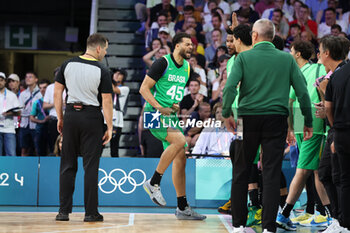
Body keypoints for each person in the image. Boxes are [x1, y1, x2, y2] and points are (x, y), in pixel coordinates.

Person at [222, 19, 313, 233]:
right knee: (271, 173)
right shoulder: (287, 59)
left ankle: (238, 226)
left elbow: (229, 88)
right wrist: (307, 121)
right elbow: (302, 93)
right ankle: (269, 229)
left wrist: (226, 113)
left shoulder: (242, 57)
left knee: (241, 170)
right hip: (276, 119)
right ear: (272, 36)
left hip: (247, 119)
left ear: (254, 36)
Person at [139, 32, 206, 220]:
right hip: (154, 112)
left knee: (181, 159)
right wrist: (160, 107)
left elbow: (170, 91)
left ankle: (182, 207)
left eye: (191, 45)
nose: (191, 47)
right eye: (187, 44)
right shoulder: (162, 63)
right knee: (180, 140)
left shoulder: (185, 67)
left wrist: (174, 105)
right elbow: (143, 88)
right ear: (177, 46)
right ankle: (153, 182)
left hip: (170, 114)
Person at [54, 33, 113, 222]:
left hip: (71, 115)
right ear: (98, 48)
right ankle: (90, 213)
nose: (105, 53)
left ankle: (63, 212)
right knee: (91, 167)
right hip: (91, 118)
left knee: (67, 165)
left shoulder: (67, 64)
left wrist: (60, 117)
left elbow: (57, 92)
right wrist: (110, 127)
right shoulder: (102, 69)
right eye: (105, 49)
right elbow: (107, 100)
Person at [277, 40, 332, 229]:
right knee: (305, 171)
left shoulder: (301, 72)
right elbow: (325, 88)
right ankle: (285, 214)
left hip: (302, 126)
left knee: (316, 171)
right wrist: (326, 106)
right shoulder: (313, 69)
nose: (290, 53)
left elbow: (290, 102)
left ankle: (326, 212)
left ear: (298, 54)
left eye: (291, 50)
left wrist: (290, 128)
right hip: (314, 126)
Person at [323, 35, 350, 232]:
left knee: (337, 176)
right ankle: (338, 219)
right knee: (328, 175)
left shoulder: (332, 76)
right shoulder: (333, 74)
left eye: (320, 51)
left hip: (317, 131)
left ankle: (341, 221)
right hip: (331, 130)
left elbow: (328, 107)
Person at [43, 67, 66, 155]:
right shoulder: (50, 87)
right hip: (54, 119)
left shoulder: (69, 86)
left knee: (66, 143)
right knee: (53, 144)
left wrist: (67, 103)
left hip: (67, 119)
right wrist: (57, 103)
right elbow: (44, 105)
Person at [19, 72, 42, 156]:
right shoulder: (22, 94)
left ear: (36, 79)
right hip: (24, 124)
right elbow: (20, 110)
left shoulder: (40, 93)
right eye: (26, 77)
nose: (27, 79)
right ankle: (22, 167)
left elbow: (41, 110)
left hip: (36, 124)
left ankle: (38, 168)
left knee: (37, 148)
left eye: (30, 77)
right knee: (24, 148)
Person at [0, 72, 21, 156]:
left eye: (1, 80)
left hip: (9, 128)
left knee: (11, 154)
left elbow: (19, 112)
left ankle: (12, 170)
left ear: (5, 81)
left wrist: (9, 113)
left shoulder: (12, 95)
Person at [110, 68, 130, 157]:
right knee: (100, 144)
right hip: (105, 118)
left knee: (114, 145)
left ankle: (114, 164)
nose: (116, 75)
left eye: (119, 74)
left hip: (117, 119)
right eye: (115, 73)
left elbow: (115, 90)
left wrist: (107, 78)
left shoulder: (125, 88)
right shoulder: (107, 88)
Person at [30, 79, 50, 156]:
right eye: (40, 88)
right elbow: (31, 117)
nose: (42, 90)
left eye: (45, 87)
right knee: (40, 152)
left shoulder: (54, 101)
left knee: (53, 150)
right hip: (40, 129)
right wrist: (42, 121)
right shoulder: (37, 102)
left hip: (52, 128)